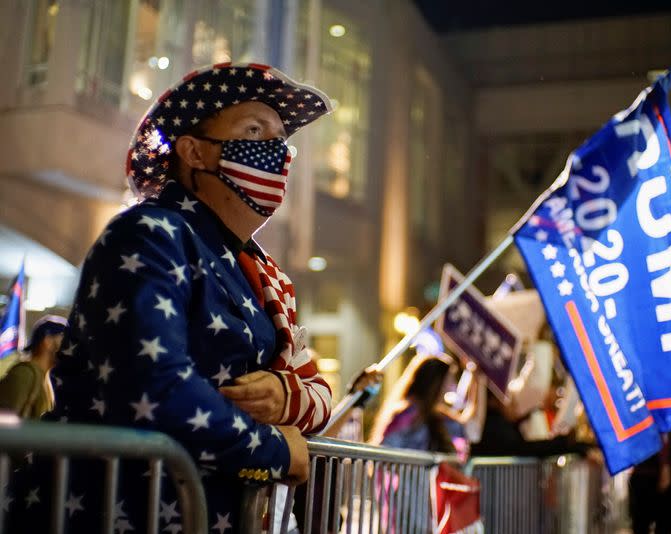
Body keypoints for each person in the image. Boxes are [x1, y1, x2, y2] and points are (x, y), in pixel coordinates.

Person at [8, 62, 334, 533]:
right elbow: (155, 384)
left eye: (281, 138)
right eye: (254, 130)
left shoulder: (259, 273)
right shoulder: (150, 233)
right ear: (194, 152)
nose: (277, 152)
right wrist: (276, 451)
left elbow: (318, 392)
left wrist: (287, 396)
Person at [369, 353, 469, 455]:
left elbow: (469, 427)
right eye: (449, 379)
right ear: (436, 382)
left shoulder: (433, 414)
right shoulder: (408, 413)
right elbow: (385, 450)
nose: (452, 385)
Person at [0, 315, 66, 418]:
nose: (69, 348)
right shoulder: (24, 374)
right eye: (65, 340)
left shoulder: (46, 377)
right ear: (47, 342)